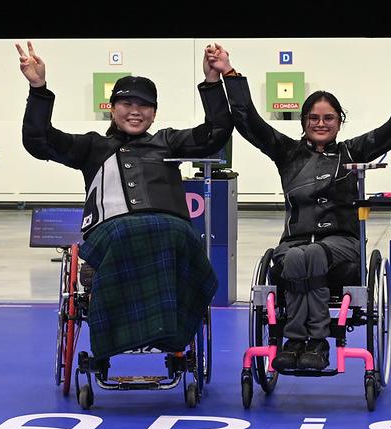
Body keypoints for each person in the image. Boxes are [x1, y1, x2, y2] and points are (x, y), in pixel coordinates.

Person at [205, 43, 391, 371]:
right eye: (314, 118)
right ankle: (303, 342)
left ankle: (309, 340)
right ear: (304, 121)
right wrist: (229, 73)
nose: (321, 123)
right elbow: (249, 122)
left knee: (308, 256)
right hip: (294, 244)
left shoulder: (353, 152)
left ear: (340, 122)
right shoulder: (287, 153)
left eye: (328, 118)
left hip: (343, 246)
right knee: (299, 255)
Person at [16, 41, 233, 361]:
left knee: (176, 234)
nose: (135, 110)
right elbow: (38, 141)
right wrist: (38, 88)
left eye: (144, 105)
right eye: (126, 103)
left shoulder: (168, 142)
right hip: (112, 231)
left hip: (168, 230)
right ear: (112, 107)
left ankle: (168, 330)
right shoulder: (91, 146)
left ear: (154, 112)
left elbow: (217, 132)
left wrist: (213, 82)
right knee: (131, 234)